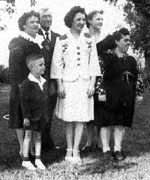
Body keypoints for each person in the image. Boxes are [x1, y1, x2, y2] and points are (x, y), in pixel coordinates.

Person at [51, 6, 100, 164]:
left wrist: (92, 83)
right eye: (78, 19)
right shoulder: (62, 39)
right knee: (69, 118)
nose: (81, 22)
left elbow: (93, 63)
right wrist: (59, 85)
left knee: (80, 118)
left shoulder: (89, 39)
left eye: (83, 19)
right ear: (70, 20)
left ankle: (77, 150)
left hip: (84, 83)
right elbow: (57, 64)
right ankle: (69, 150)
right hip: (68, 84)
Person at [96, 28, 138, 161]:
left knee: (120, 122)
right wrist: (101, 91)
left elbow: (138, 77)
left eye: (129, 41)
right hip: (108, 94)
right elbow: (99, 76)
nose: (128, 43)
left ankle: (117, 149)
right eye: (125, 40)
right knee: (106, 122)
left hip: (126, 95)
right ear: (116, 41)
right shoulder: (105, 57)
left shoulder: (131, 60)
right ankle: (106, 149)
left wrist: (139, 92)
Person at [8, 10, 43, 158]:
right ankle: (23, 148)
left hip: (37, 85)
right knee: (20, 116)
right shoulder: (18, 42)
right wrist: (22, 86)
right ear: (23, 25)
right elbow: (15, 67)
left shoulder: (39, 41)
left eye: (37, 21)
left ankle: (32, 149)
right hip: (22, 86)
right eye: (32, 22)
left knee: (34, 117)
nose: (36, 24)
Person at [82, 10, 104, 152]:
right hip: (86, 77)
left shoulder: (105, 38)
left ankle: (100, 141)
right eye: (98, 19)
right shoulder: (83, 37)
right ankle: (89, 141)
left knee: (101, 108)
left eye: (102, 19)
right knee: (88, 108)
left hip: (102, 78)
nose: (101, 21)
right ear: (89, 21)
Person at [38, 8, 60, 151]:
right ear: (39, 19)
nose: (47, 19)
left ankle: (46, 141)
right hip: (39, 80)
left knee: (49, 111)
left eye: (50, 16)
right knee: (39, 111)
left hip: (52, 81)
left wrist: (54, 81)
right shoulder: (35, 35)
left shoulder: (57, 37)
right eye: (44, 17)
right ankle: (37, 143)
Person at [20, 54, 47, 170]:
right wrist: (26, 117)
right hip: (31, 117)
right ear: (32, 68)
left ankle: (38, 159)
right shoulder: (27, 83)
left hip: (41, 116)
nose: (44, 67)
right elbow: (24, 102)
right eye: (40, 65)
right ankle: (25, 160)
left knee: (38, 137)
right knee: (28, 136)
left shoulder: (43, 81)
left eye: (44, 64)